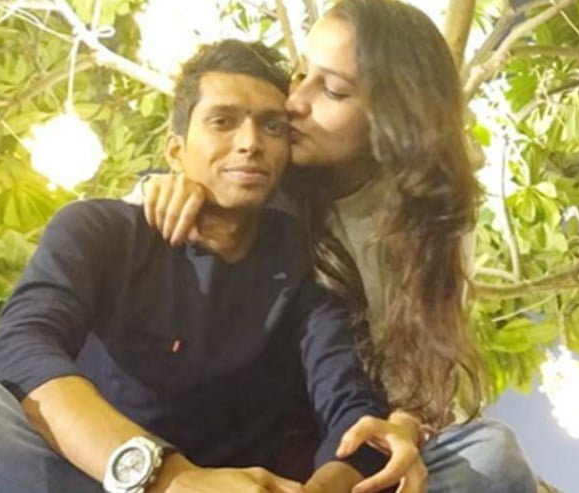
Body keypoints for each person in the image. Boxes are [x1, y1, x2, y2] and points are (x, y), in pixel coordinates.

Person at [0, 39, 393, 493]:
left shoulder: (305, 265)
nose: (250, 142)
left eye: (272, 126)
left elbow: (352, 405)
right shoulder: (101, 230)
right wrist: (169, 478)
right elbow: (20, 349)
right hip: (94, 477)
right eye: (222, 121)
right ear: (175, 150)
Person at [135, 1, 538, 492]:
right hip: (227, 445)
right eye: (300, 73)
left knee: (490, 456)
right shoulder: (263, 175)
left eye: (333, 90)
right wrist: (175, 185)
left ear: (394, 115)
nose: (295, 103)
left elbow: (425, 372)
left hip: (349, 451)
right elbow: (125, 238)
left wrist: (402, 429)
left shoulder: (434, 222)